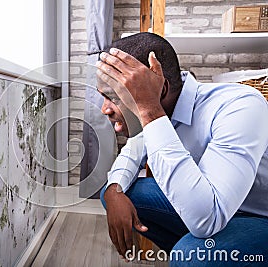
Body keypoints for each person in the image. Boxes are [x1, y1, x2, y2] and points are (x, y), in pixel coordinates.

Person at [96, 32, 268, 266]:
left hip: (257, 216)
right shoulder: (164, 107)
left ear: (160, 89)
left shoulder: (239, 105)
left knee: (190, 255)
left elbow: (209, 219)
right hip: (212, 210)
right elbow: (132, 152)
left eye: (114, 97)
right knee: (118, 193)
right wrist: (113, 191)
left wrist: (149, 110)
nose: (105, 109)